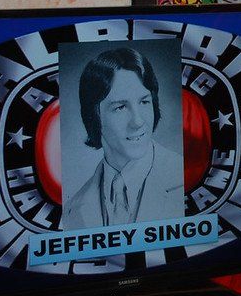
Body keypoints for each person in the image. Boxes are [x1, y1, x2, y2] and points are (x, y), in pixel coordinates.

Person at [62, 47, 183, 229]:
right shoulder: (72, 209)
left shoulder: (185, 180)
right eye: (120, 107)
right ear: (93, 116)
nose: (138, 121)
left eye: (144, 102)